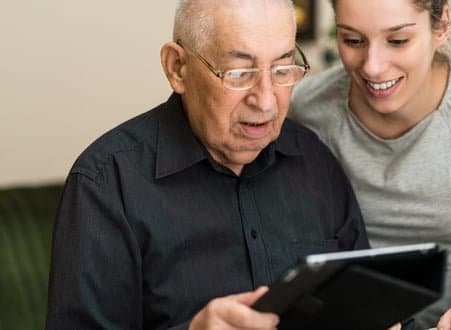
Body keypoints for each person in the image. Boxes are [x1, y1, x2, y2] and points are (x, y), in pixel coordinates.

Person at [45, 1, 371, 329]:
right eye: (240, 73)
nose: (267, 100)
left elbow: (367, 300)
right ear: (178, 68)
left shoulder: (314, 160)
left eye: (282, 69)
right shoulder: (107, 181)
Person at [289, 0, 451, 329]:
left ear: (441, 26)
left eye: (398, 41)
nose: (372, 66)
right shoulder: (309, 110)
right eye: (353, 40)